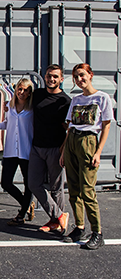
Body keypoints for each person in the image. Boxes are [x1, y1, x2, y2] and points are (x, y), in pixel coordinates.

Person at [60, 63, 113, 249]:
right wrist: (63, 150)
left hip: (88, 142)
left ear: (90, 75)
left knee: (87, 190)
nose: (79, 79)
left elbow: (106, 125)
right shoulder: (76, 100)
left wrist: (98, 152)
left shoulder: (102, 98)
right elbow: (70, 126)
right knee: (73, 189)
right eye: (76, 77)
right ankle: (79, 227)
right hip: (72, 141)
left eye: (82, 75)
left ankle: (97, 232)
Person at [28, 64, 71, 234]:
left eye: (55, 76)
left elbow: (69, 128)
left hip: (55, 149)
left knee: (56, 187)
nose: (51, 79)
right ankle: (60, 215)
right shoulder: (38, 94)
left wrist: (63, 149)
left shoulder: (65, 101)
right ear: (44, 77)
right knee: (33, 183)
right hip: (37, 147)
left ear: (61, 79)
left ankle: (55, 223)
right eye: (48, 76)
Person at [0, 78, 35, 226]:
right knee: (5, 183)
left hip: (27, 151)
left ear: (30, 92)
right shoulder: (9, 107)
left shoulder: (32, 109)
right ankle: (27, 204)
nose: (22, 92)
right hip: (11, 150)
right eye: (20, 89)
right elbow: (8, 124)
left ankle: (22, 214)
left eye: (25, 90)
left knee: (28, 184)